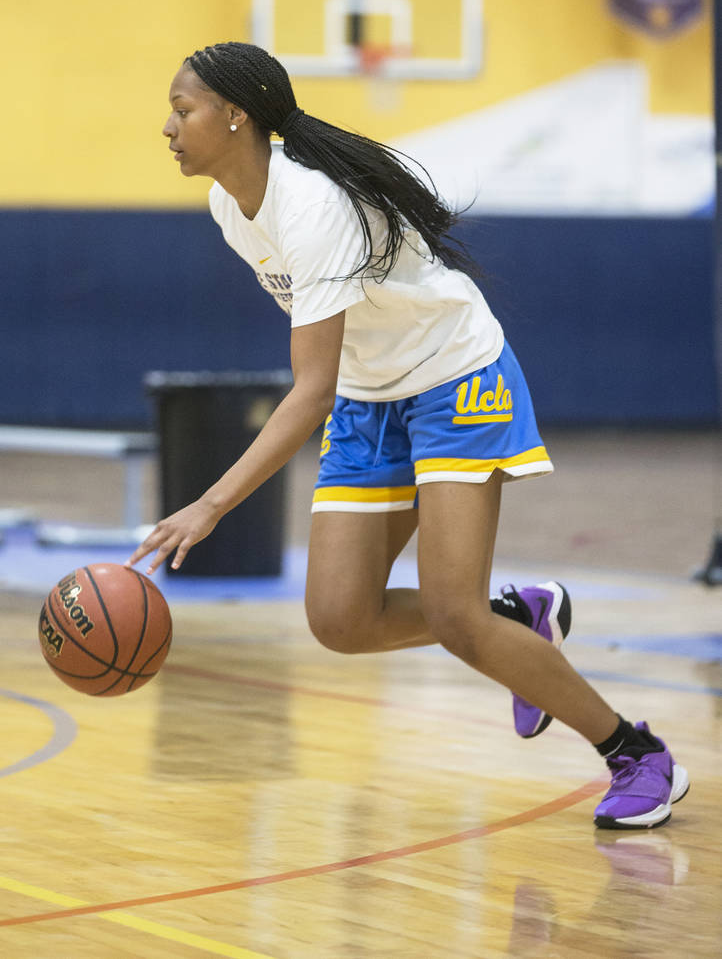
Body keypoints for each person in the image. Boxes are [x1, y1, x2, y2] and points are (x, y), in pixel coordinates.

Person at [127, 41, 689, 830]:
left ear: (235, 114)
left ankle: (638, 755)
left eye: (182, 111)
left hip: (454, 376)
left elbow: (309, 388)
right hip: (370, 395)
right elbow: (337, 372)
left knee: (458, 620)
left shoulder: (313, 206)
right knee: (340, 619)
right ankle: (517, 614)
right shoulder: (231, 208)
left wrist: (209, 505)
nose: (169, 127)